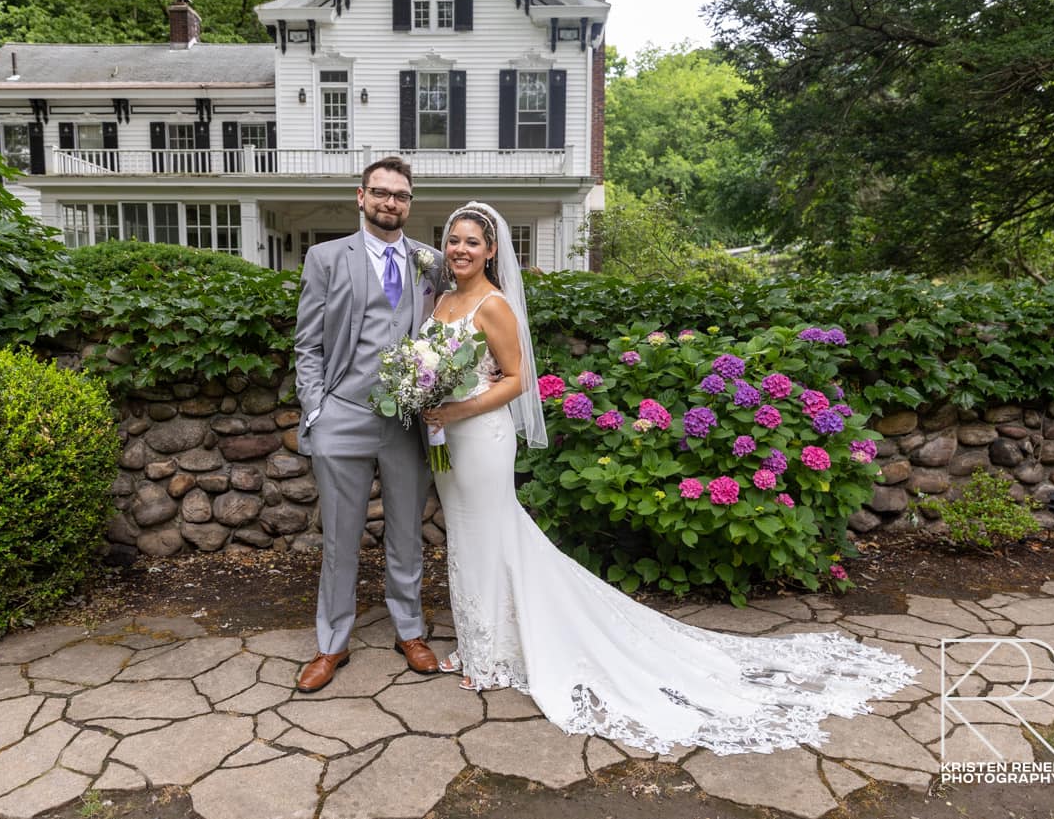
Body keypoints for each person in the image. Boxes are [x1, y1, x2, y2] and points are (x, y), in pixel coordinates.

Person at [421, 202, 917, 755]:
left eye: (472, 242)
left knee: (491, 537)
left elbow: (515, 381)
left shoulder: (496, 306)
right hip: (445, 441)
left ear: (491, 250)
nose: (460, 250)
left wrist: (456, 411)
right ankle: (476, 643)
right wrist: (423, 397)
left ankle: (491, 656)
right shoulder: (442, 301)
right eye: (453, 241)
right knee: (466, 539)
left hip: (480, 436)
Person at [292, 157, 446, 693]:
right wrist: (316, 407)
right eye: (380, 193)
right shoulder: (326, 257)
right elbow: (308, 342)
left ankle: (410, 630)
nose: (390, 202)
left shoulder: (431, 262)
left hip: (407, 422)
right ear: (361, 197)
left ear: (410, 203)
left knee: (407, 531)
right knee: (340, 537)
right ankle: (332, 642)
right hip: (343, 415)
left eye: (400, 195)